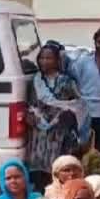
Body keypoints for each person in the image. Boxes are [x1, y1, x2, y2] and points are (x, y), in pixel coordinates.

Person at [26, 43, 86, 182]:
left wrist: (65, 115)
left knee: (58, 168)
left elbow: (78, 105)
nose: (44, 61)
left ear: (57, 60)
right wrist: (29, 114)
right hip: (38, 132)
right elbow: (30, 103)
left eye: (49, 58)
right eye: (42, 58)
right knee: (38, 171)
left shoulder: (66, 81)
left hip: (60, 131)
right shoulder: (36, 80)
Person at [69, 27, 100, 149]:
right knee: (79, 145)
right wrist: (78, 98)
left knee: (98, 146)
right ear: (95, 42)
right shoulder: (82, 62)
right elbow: (73, 81)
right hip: (82, 111)